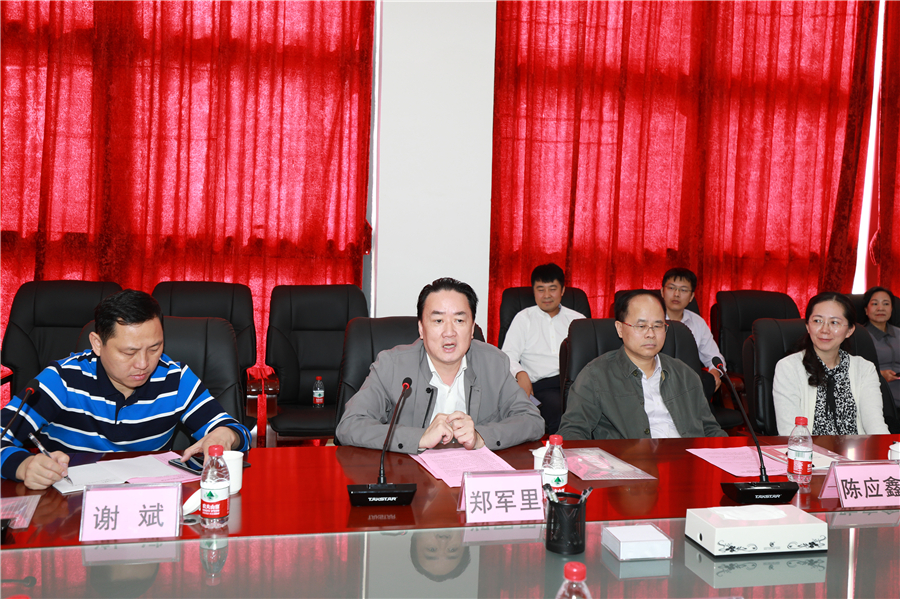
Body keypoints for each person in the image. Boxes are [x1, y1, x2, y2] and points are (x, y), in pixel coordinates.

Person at [1, 289, 251, 489]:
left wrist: (225, 435)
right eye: (129, 352)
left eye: (154, 348)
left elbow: (236, 430)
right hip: (70, 507)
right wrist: (23, 466)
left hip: (148, 502)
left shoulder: (176, 379)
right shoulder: (62, 379)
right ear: (97, 344)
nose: (143, 364)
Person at [336, 278, 544, 453]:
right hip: (410, 476)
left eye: (459, 321)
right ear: (421, 328)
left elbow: (532, 420)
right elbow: (349, 425)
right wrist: (419, 438)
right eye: (438, 321)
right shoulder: (391, 365)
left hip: (473, 478)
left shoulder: (494, 363)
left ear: (472, 328)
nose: (449, 332)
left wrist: (481, 437)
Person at [556, 290, 726, 440]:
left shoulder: (685, 373)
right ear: (620, 328)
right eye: (641, 325)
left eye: (658, 325)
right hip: (627, 463)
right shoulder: (596, 376)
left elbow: (710, 429)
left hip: (687, 461)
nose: (650, 334)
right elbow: (573, 431)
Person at [773, 292, 889, 436]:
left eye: (834, 322)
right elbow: (790, 432)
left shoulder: (865, 369)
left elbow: (876, 425)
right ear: (807, 326)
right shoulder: (788, 367)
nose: (825, 330)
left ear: (850, 330)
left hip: (857, 450)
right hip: (807, 450)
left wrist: (889, 449)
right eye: (817, 321)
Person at [501, 263, 586, 434]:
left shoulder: (578, 320)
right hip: (542, 386)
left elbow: (589, 357)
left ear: (562, 290)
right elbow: (507, 355)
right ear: (533, 291)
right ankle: (561, 450)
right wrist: (520, 374)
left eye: (552, 289)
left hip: (576, 383)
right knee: (559, 413)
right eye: (540, 289)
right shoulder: (524, 318)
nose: (546, 295)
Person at [660, 267, 724, 391]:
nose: (676, 294)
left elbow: (715, 357)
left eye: (683, 290)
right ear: (662, 291)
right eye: (671, 288)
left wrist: (715, 372)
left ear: (691, 296)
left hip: (688, 385)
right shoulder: (649, 319)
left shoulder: (697, 322)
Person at [862, 286, 900, 407]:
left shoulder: (899, 333)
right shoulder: (859, 336)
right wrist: (879, 374)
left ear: (891, 309)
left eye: (886, 304)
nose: (880, 308)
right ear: (866, 310)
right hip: (878, 396)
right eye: (875, 304)